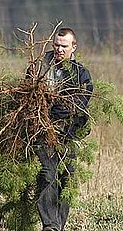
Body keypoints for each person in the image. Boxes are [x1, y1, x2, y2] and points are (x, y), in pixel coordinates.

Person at [31, 28, 93, 231]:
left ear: (73, 46)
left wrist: (62, 108)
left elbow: (81, 103)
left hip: (69, 133)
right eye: (56, 45)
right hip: (44, 131)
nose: (59, 49)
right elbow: (29, 96)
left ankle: (59, 225)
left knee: (66, 180)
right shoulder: (40, 68)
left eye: (64, 46)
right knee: (47, 174)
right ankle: (50, 225)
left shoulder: (81, 73)